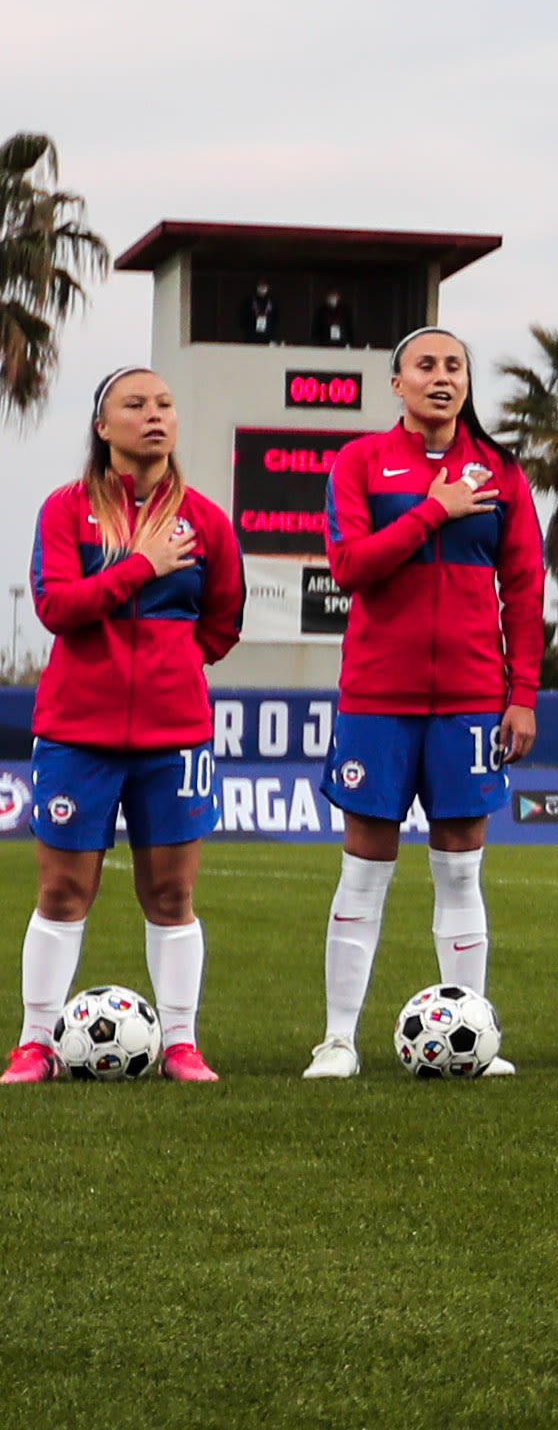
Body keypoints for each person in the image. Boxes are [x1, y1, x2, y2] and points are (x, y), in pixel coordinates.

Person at [313, 326, 540, 1079]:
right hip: (378, 696)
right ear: (397, 382)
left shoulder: (502, 471)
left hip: (474, 700)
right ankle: (339, 1040)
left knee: (460, 871)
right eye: (426, 365)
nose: (442, 377)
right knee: (365, 870)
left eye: (455, 366)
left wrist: (523, 694)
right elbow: (350, 565)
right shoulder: (359, 463)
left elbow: (526, 588)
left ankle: (469, 1036)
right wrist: (433, 510)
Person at [19, 369, 241, 1084]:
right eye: (135, 404)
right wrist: (142, 566)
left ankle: (181, 1043)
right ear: (102, 425)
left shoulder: (206, 521)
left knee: (172, 896)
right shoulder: (65, 510)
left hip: (174, 736)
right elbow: (56, 605)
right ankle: (34, 1043)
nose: (155, 415)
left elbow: (222, 621)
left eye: (166, 403)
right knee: (61, 893)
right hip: (75, 731)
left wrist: (170, 665)